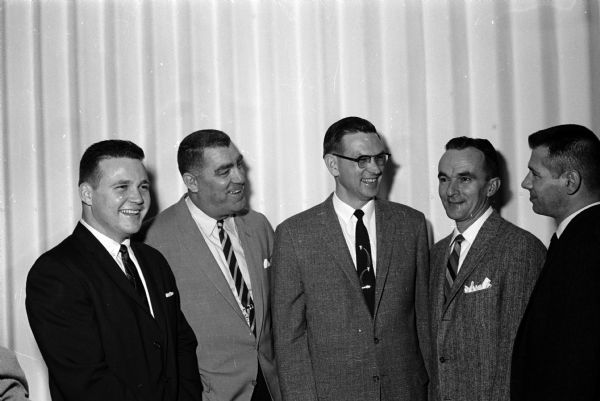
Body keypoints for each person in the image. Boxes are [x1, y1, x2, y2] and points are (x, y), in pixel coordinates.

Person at [25, 140, 202, 401]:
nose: (139, 198)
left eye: (143, 186)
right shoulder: (55, 272)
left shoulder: (154, 261)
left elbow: (182, 346)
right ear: (87, 194)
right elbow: (86, 382)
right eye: (122, 187)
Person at [271, 116, 429, 401]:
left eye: (379, 158)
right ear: (333, 164)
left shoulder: (411, 225)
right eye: (362, 159)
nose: (375, 168)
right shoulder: (295, 235)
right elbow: (288, 339)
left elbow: (423, 323)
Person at [144, 130, 281, 401]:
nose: (240, 178)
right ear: (192, 182)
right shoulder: (153, 240)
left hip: (272, 389)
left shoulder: (259, 226)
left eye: (239, 164)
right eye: (224, 171)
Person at [429, 137, 545, 401]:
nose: (450, 191)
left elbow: (517, 356)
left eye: (465, 179)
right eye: (444, 179)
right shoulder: (436, 254)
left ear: (491, 186)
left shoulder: (520, 248)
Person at [511, 124, 600, 401]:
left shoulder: (589, 248)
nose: (526, 183)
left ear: (570, 182)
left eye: (535, 174)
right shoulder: (574, 239)